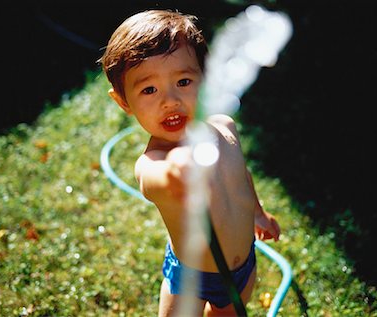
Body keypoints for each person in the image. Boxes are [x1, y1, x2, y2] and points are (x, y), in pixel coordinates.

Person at [100, 9, 281, 317]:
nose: (169, 100)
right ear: (123, 101)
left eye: (183, 81)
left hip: (243, 265)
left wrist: (258, 213)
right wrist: (176, 170)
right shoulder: (154, 160)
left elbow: (241, 177)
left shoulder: (224, 127)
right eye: (149, 89)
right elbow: (155, 179)